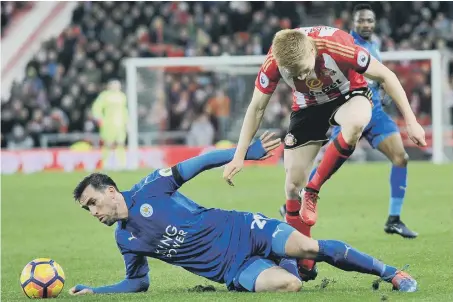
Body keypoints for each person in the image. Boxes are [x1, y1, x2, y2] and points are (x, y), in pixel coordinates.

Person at [69, 132, 417, 295]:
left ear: (110, 191)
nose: (92, 212)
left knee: (311, 249)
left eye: (92, 203)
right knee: (289, 284)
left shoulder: (151, 188)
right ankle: (285, 259)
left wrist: (244, 153)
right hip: (232, 269)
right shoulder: (125, 239)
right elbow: (138, 282)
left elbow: (201, 162)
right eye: (87, 210)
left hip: (242, 228)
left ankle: (390, 273)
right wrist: (96, 292)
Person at [222, 26, 426, 274]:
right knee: (291, 186)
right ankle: (304, 259)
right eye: (297, 74)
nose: (306, 76)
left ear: (311, 47)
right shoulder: (273, 62)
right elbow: (256, 108)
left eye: (307, 68)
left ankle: (314, 188)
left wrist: (412, 121)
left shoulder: (338, 45)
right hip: (308, 107)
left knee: (355, 124)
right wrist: (239, 155)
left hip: (349, 95)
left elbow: (386, 76)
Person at [279, 5, 418, 239]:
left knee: (401, 157)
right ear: (353, 22)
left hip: (374, 113)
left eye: (370, 21)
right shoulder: (345, 45)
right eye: (361, 21)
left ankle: (394, 219)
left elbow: (380, 76)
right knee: (325, 164)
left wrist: (382, 89)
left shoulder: (375, 45)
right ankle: (299, 196)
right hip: (349, 107)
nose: (366, 25)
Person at [92, 79, 129, 170]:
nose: (116, 87)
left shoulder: (122, 96)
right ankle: (105, 164)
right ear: (109, 86)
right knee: (108, 144)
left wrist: (127, 122)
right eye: (114, 85)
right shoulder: (104, 95)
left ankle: (122, 164)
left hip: (120, 124)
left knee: (121, 144)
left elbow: (124, 111)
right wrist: (99, 118)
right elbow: (96, 107)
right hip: (108, 124)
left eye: (117, 85)